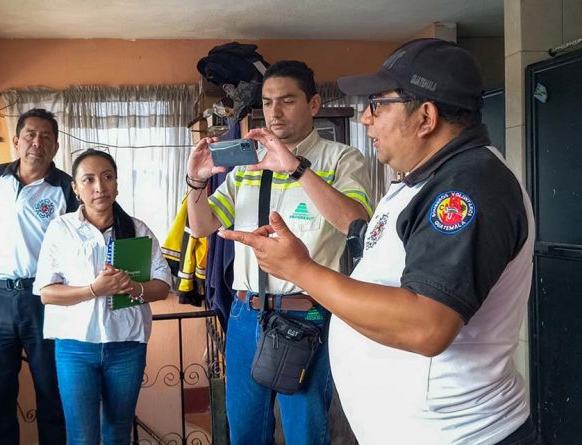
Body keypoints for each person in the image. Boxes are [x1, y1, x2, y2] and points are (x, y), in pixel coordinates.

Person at [220, 38, 540, 445]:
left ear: (425, 116)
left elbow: (427, 325)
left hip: (459, 436)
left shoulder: (467, 187)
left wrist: (299, 269)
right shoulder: (421, 180)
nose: (365, 118)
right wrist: (297, 169)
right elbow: (360, 232)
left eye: (378, 104)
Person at [186, 60, 372, 445]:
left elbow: (354, 221)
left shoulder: (341, 159)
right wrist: (195, 181)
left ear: (314, 104)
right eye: (268, 102)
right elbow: (204, 226)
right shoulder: (246, 165)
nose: (275, 111)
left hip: (308, 314)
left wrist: (295, 167)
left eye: (287, 100)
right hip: (245, 314)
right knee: (245, 431)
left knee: (305, 431)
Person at [34, 149, 172, 445]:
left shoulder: (136, 229)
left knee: (118, 433)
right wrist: (94, 289)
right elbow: (46, 293)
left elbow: (163, 286)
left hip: (126, 347)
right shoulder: (61, 229)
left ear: (117, 184)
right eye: (89, 179)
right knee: (82, 437)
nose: (100, 187)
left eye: (107, 177)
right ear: (75, 188)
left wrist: (134, 288)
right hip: (75, 348)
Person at [0, 108, 72, 445]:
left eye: (46, 136)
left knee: (52, 391)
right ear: (17, 141)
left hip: (46, 301)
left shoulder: (65, 187)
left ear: (56, 146)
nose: (38, 142)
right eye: (31, 135)